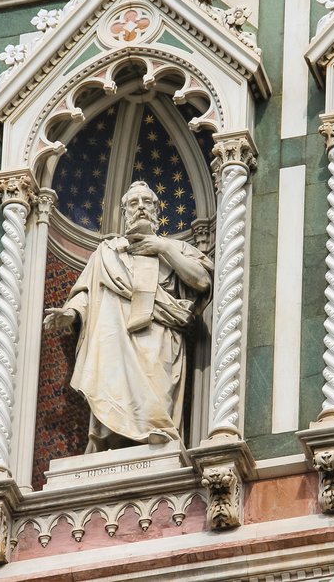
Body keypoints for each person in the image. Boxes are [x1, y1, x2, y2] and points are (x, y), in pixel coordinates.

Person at [44, 181, 213, 451]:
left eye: (146, 202)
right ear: (125, 212)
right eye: (134, 204)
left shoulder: (177, 249)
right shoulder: (107, 253)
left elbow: (202, 282)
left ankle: (158, 433)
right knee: (111, 385)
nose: (141, 208)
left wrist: (163, 249)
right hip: (115, 336)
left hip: (159, 339)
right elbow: (89, 293)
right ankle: (110, 441)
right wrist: (71, 313)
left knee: (156, 396)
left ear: (157, 210)